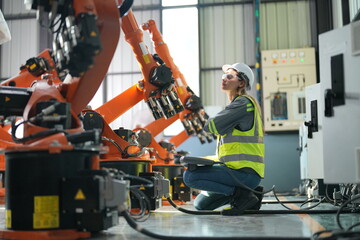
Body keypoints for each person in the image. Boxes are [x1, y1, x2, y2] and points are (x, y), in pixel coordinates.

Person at [183, 62, 265, 215]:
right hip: (239, 172)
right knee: (201, 204)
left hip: (244, 173)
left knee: (190, 176)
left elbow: (211, 126)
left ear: (241, 82)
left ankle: (242, 195)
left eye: (229, 76)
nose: (224, 79)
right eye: (223, 76)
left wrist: (196, 111)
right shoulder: (238, 105)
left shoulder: (242, 103)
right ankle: (249, 194)